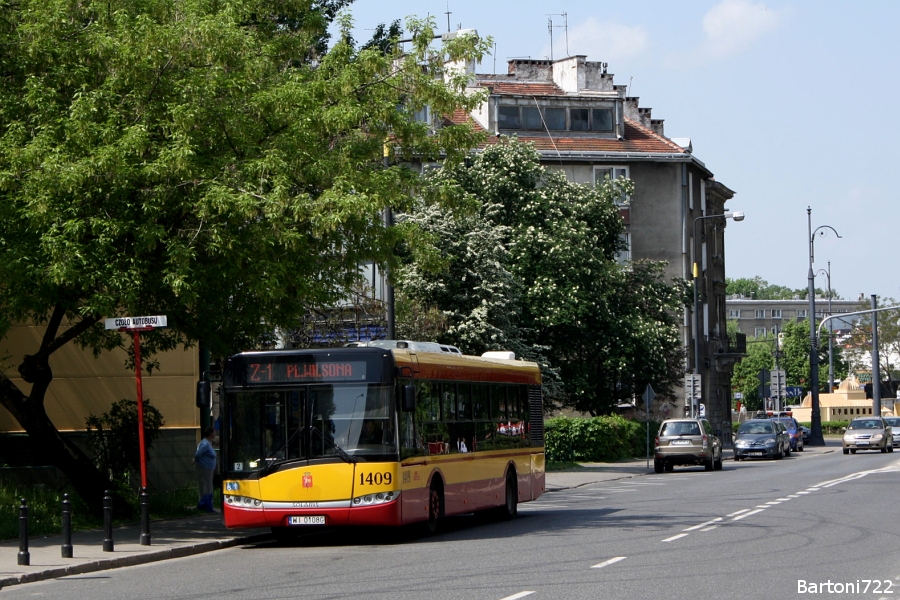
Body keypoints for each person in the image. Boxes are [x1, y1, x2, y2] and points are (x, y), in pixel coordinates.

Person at [193, 425, 217, 513]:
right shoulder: (205, 444)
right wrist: (197, 460)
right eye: (214, 432)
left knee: (208, 486)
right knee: (207, 487)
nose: (215, 434)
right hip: (205, 469)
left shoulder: (207, 443)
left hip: (208, 469)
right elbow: (198, 454)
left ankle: (205, 504)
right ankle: (206, 505)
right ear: (211, 433)